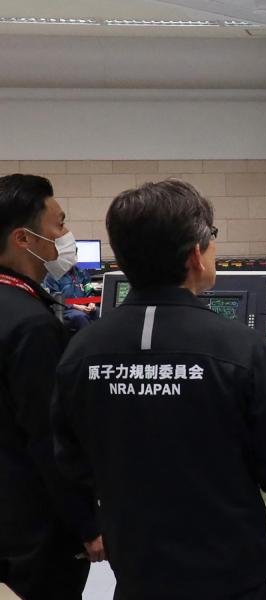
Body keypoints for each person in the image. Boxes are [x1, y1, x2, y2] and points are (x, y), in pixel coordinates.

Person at [52, 180, 266, 600]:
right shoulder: (241, 349)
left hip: (137, 573)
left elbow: (70, 462)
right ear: (195, 254)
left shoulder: (81, 351)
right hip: (230, 575)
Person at [0, 174, 103, 598]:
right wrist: (88, 525)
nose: (66, 235)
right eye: (59, 224)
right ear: (23, 239)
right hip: (34, 527)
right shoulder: (31, 325)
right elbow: (48, 437)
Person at [45, 264, 99, 333]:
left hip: (84, 305)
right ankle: (87, 339)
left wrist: (91, 302)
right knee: (81, 317)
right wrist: (76, 306)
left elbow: (89, 289)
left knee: (98, 312)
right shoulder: (52, 275)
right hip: (65, 308)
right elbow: (54, 298)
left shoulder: (81, 271)